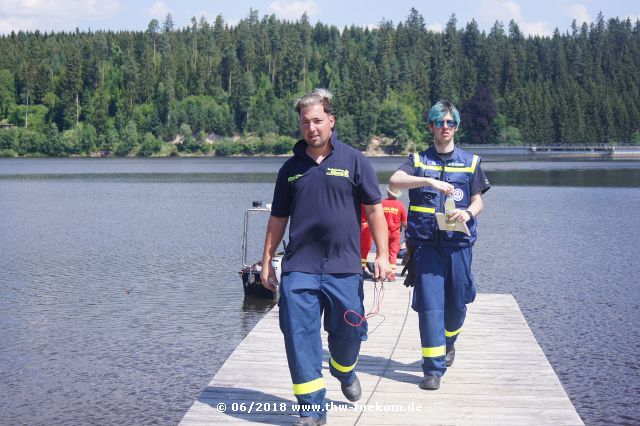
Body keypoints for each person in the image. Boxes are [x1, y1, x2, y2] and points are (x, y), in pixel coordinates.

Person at [261, 88, 392, 426]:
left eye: (318, 120)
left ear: (331, 122)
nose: (311, 128)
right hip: (300, 269)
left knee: (349, 334)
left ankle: (343, 369)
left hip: (344, 268)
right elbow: (278, 219)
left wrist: (382, 254)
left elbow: (375, 210)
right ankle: (311, 409)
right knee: (299, 338)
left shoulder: (354, 161)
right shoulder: (290, 169)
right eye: (305, 122)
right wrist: (266, 262)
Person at [389, 100, 490, 391]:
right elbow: (395, 181)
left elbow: (478, 200)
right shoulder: (418, 160)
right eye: (439, 122)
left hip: (459, 245)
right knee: (431, 307)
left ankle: (449, 342)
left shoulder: (471, 162)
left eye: (450, 122)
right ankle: (432, 370)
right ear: (431, 126)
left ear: (456, 126)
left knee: (457, 305)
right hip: (427, 248)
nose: (445, 127)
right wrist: (429, 182)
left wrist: (468, 213)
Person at [381, 186, 407, 279]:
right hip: (395, 233)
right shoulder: (400, 205)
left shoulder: (382, 203)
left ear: (388, 193)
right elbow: (404, 222)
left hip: (382, 233)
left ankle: (379, 274)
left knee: (380, 252)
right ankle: (391, 275)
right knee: (393, 254)